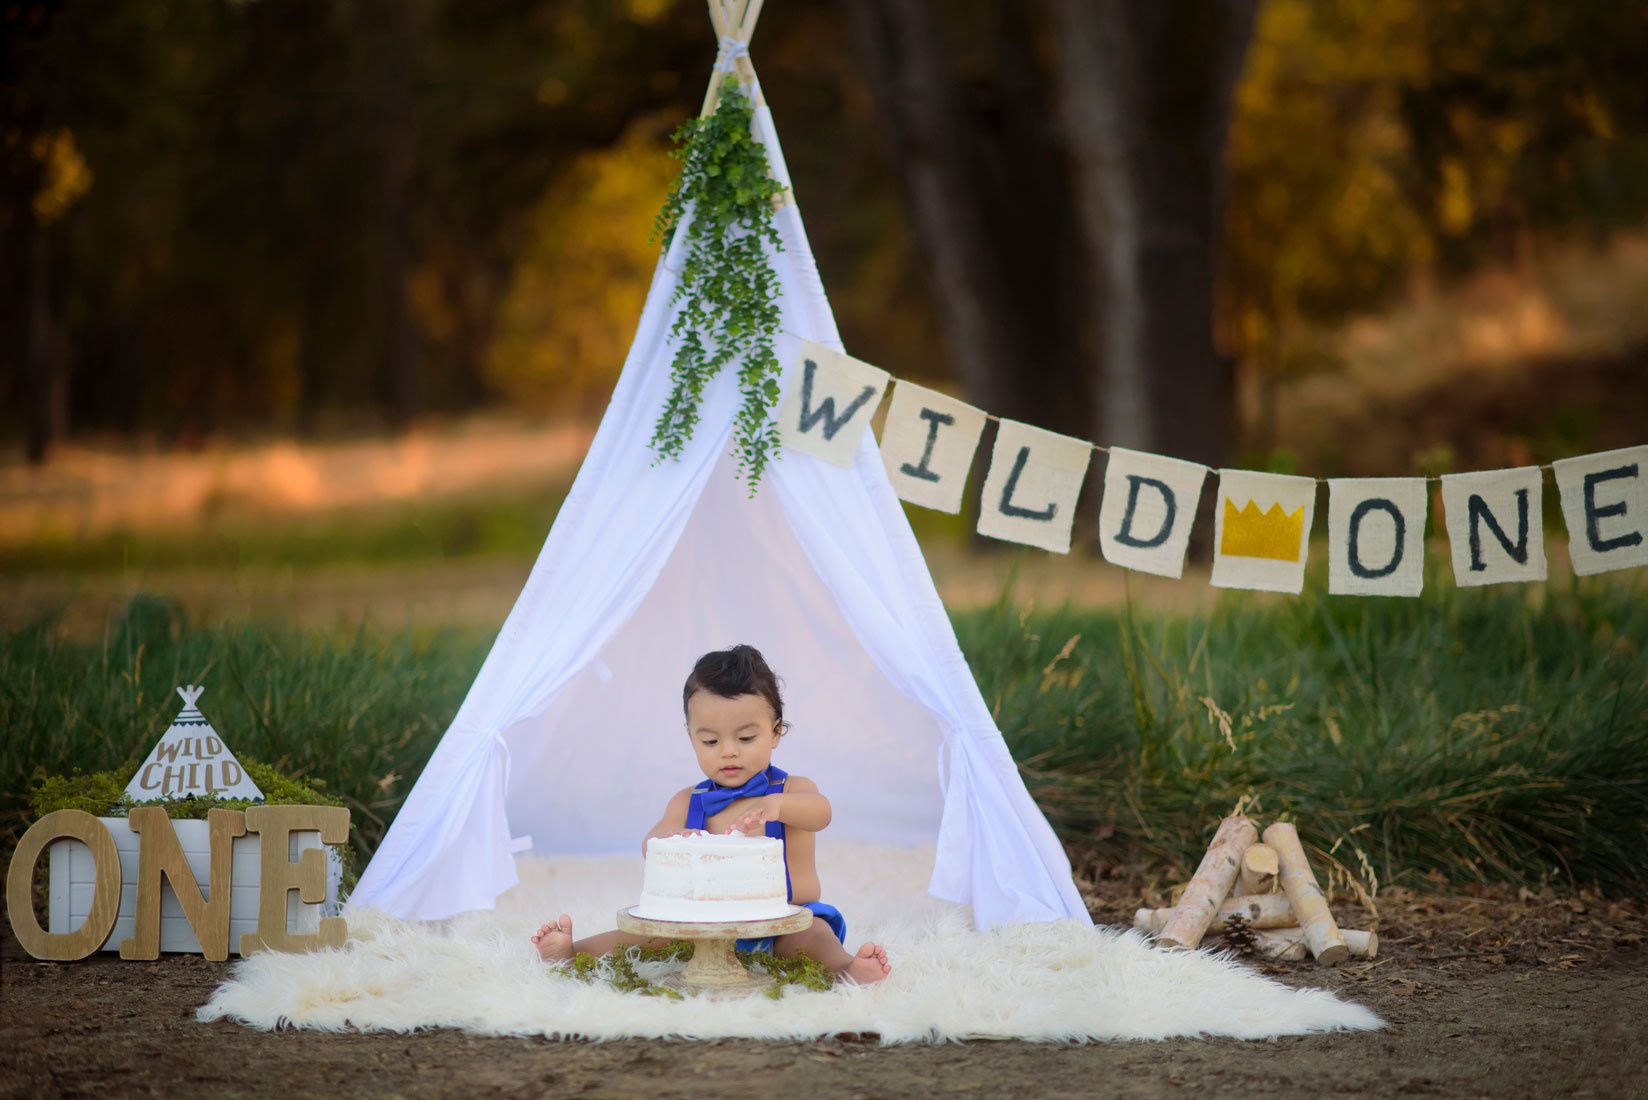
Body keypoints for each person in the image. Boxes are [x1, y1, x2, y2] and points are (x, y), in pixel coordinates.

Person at [532, 644, 891, 985]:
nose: (729, 752)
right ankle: (573, 954)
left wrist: (778, 807)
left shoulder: (792, 790)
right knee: (644, 935)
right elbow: (650, 844)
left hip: (782, 922)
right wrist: (672, 839)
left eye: (746, 738)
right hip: (700, 928)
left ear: (776, 732)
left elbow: (821, 813)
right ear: (691, 738)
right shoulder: (689, 801)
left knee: (814, 937)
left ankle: (847, 970)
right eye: (710, 742)